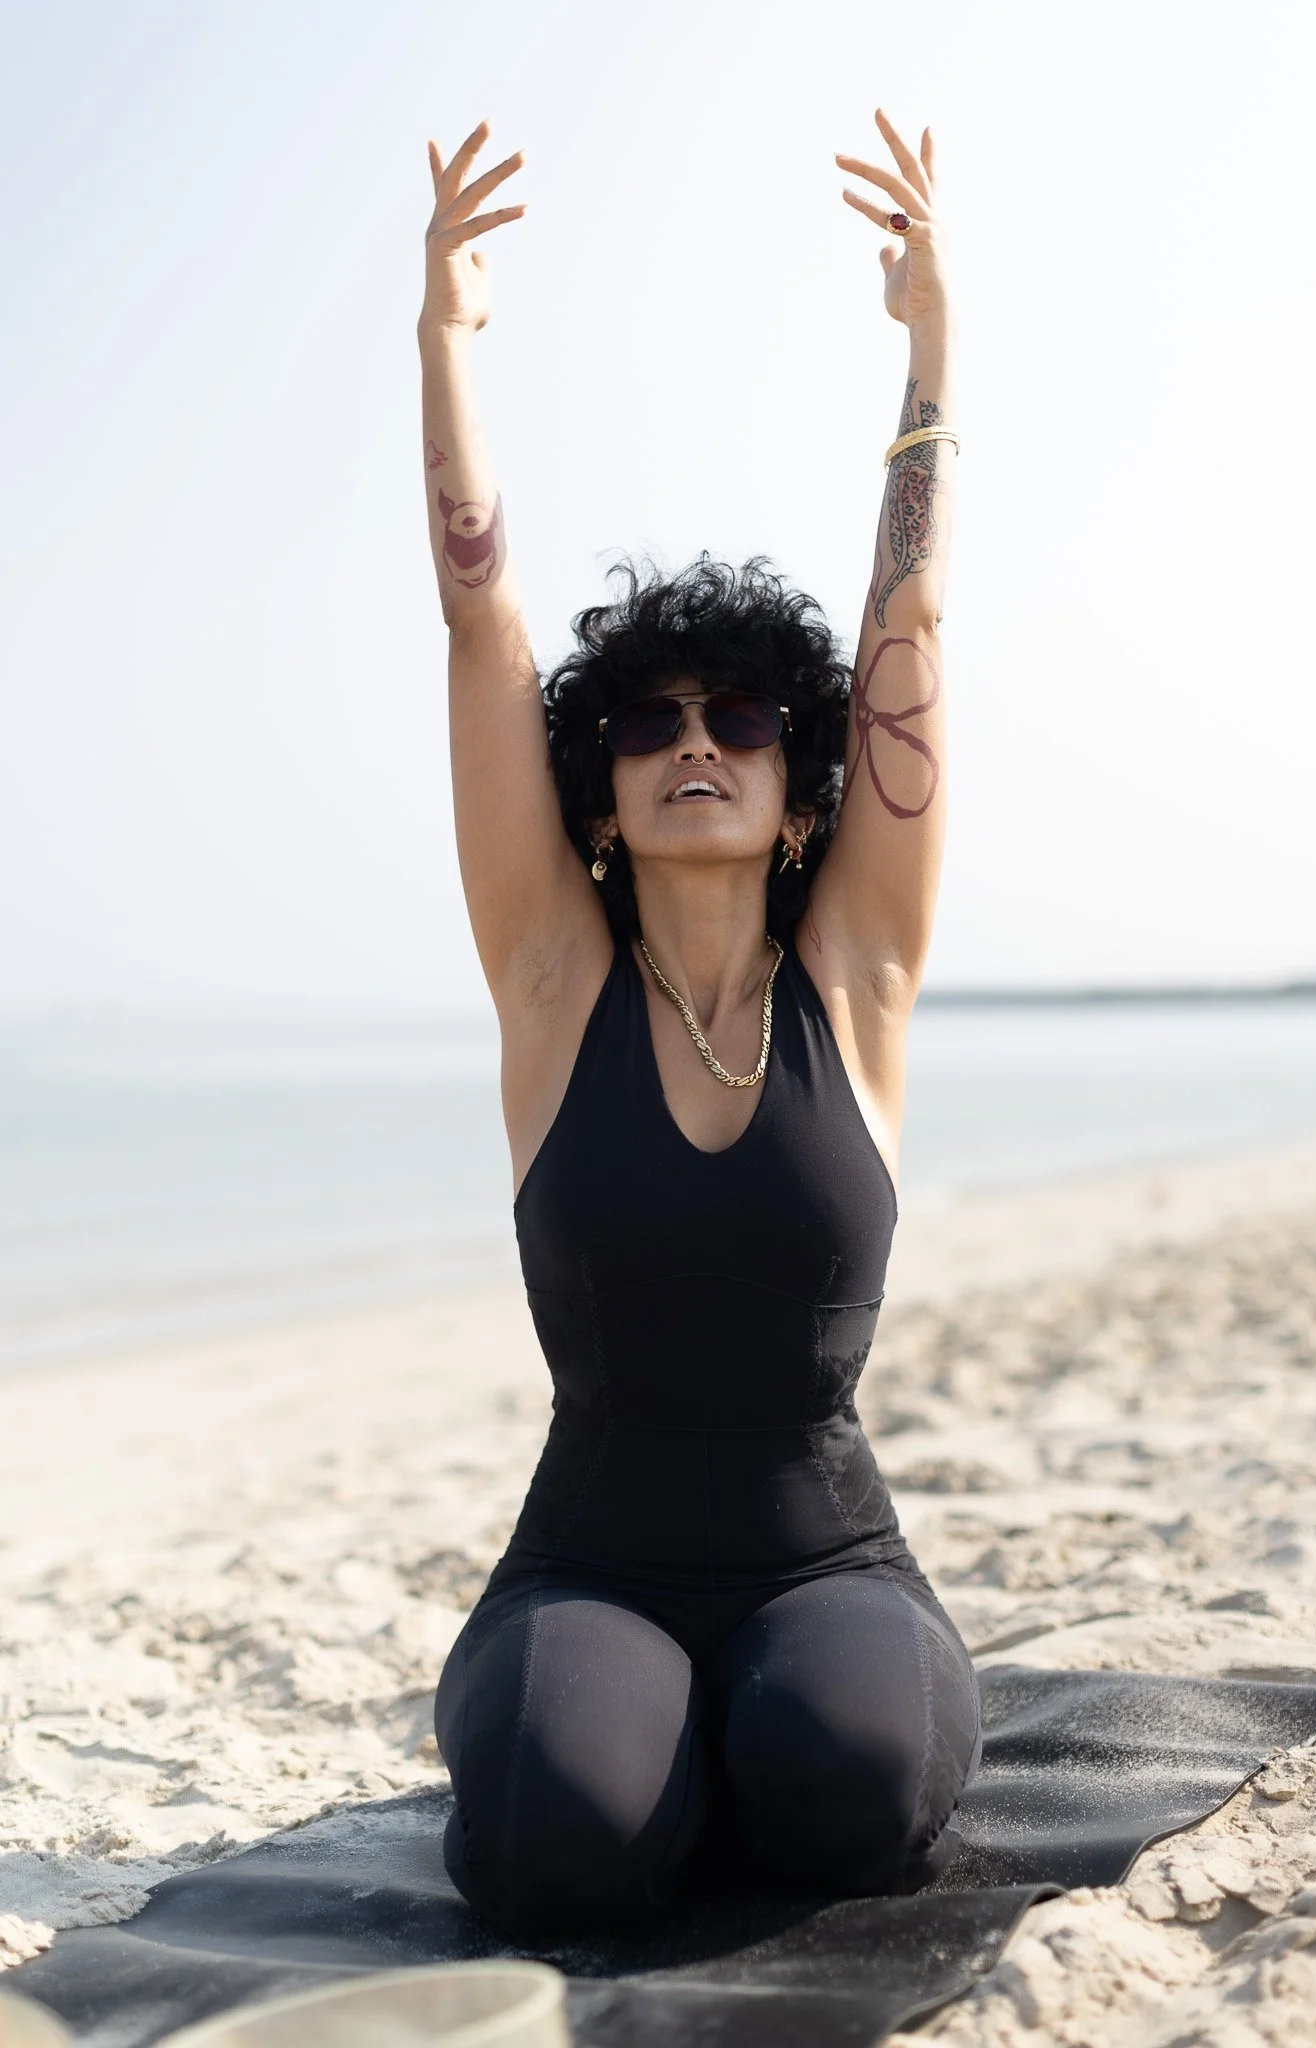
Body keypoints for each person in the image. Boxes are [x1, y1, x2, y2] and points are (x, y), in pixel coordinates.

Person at [420, 111, 980, 1933]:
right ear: (596, 793)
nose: (691, 746)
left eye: (738, 717)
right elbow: (480, 618)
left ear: (802, 786)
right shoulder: (551, 982)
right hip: (588, 1565)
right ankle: (639, 1743)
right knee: (550, 1834)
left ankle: (752, 1732)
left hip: (831, 1560)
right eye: (648, 724)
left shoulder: (856, 984)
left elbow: (909, 616)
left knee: (856, 1791)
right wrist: (444, 349)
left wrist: (931, 353)